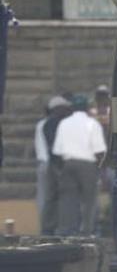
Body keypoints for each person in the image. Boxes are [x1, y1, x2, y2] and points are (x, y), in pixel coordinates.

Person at [52, 95, 106, 236]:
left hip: (68, 164)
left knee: (68, 199)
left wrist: (61, 168)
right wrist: (100, 168)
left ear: (72, 108)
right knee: (89, 200)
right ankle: (87, 231)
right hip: (88, 165)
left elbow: (57, 151)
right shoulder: (92, 124)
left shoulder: (63, 123)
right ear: (87, 108)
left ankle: (67, 231)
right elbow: (99, 150)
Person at [40, 96, 72, 235]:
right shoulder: (55, 123)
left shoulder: (49, 123)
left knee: (51, 198)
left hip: (53, 163)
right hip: (58, 164)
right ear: (58, 108)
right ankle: (57, 228)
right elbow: (55, 145)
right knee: (60, 197)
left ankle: (48, 228)